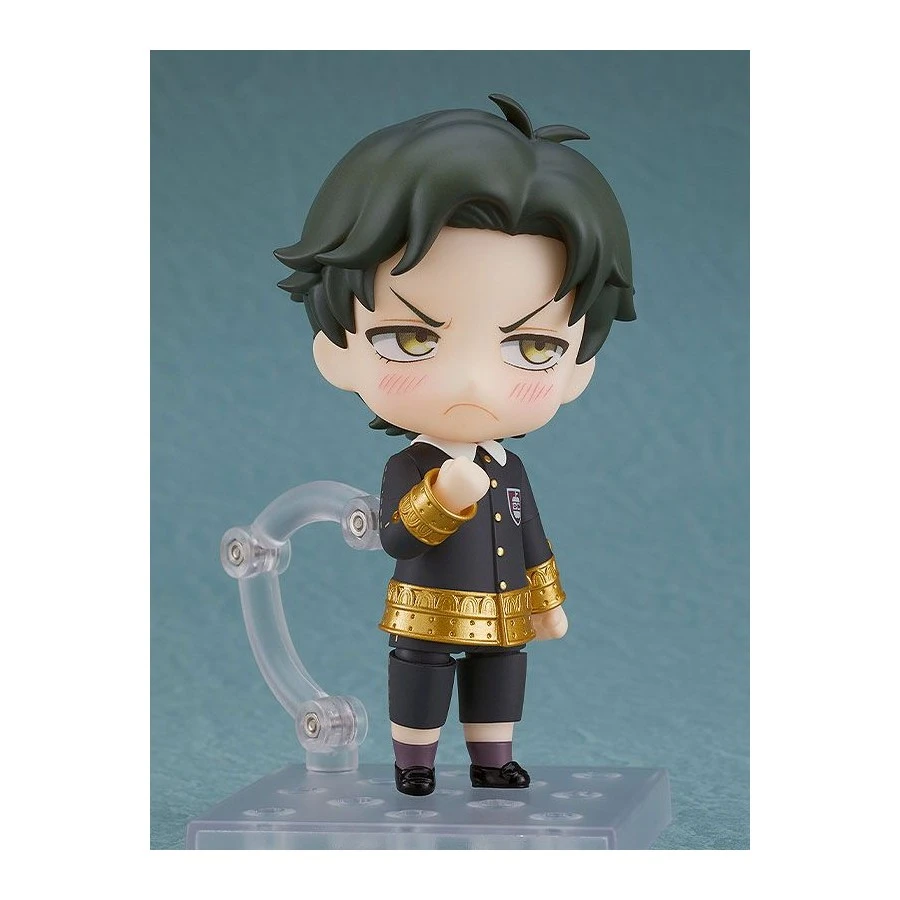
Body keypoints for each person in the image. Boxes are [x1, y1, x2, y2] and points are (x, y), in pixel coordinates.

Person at [275, 94, 635, 796]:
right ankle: (414, 763)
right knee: (422, 678)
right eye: (411, 339)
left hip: (504, 610)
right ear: (338, 350)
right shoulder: (409, 464)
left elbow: (532, 537)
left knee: (502, 675)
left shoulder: (512, 467)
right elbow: (396, 537)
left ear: (577, 369)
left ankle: (492, 759)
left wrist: (546, 599)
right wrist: (440, 499)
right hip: (428, 609)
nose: (473, 380)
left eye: (533, 347)